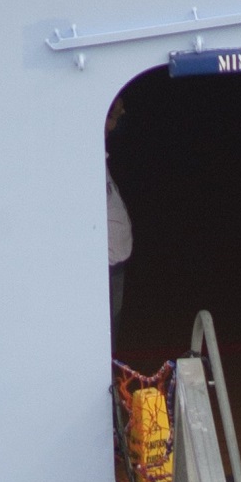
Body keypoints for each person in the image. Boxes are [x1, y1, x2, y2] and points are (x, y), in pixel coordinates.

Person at [105, 100, 133, 346]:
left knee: (111, 336)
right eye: (118, 108)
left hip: (114, 268)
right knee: (104, 339)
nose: (124, 111)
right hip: (100, 272)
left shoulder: (99, 156)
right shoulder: (83, 159)